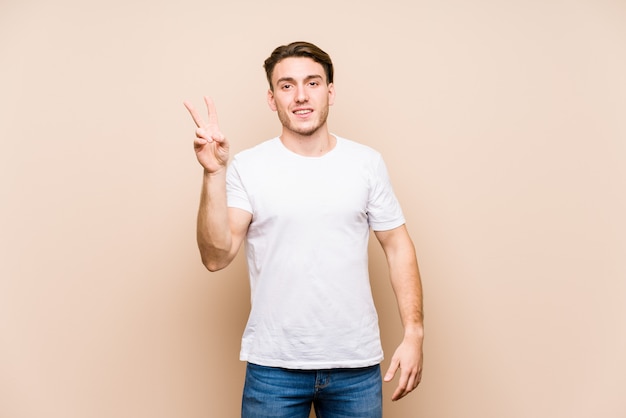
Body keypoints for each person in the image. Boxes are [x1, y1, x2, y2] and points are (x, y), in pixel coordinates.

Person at [184, 41, 423, 418]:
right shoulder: (248, 166)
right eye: (286, 85)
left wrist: (414, 333)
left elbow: (397, 247)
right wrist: (213, 174)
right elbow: (216, 256)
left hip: (355, 367)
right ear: (271, 97)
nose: (300, 96)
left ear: (330, 91)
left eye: (312, 83)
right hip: (273, 368)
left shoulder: (366, 163)